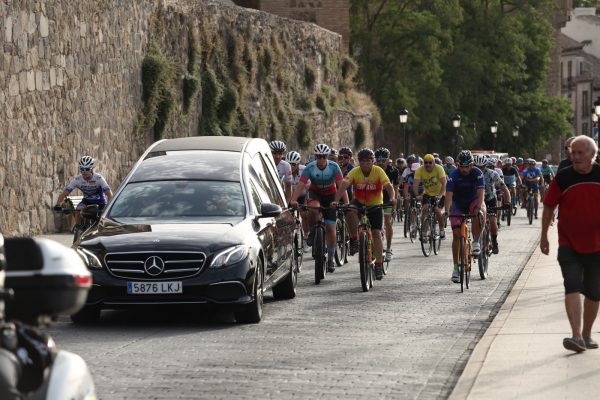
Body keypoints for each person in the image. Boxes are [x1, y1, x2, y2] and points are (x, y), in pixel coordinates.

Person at [541, 136, 600, 353]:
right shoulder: (563, 178)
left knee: (594, 293)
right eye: (572, 153)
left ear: (592, 155)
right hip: (569, 243)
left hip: (597, 245)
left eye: (579, 153)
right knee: (572, 284)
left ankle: (586, 334)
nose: (574, 157)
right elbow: (548, 206)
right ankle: (575, 335)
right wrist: (544, 235)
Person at [332, 148, 395, 280]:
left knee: (377, 233)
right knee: (349, 211)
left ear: (373, 161)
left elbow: (388, 186)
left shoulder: (378, 171)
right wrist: (336, 201)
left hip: (375, 204)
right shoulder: (355, 171)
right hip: (359, 202)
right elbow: (344, 185)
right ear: (359, 162)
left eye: (368, 161)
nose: (366, 163)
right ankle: (354, 239)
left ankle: (378, 264)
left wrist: (393, 198)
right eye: (362, 161)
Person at [290, 144, 346, 273]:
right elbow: (300, 186)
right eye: (318, 157)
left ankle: (331, 259)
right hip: (315, 193)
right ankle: (311, 232)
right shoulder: (310, 167)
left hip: (331, 195)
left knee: (331, 228)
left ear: (327, 157)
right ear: (315, 157)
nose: (321, 159)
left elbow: (341, 186)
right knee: (313, 207)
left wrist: (346, 202)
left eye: (323, 157)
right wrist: (293, 200)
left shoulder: (334, 166)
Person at [444, 150, 485, 283]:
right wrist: (446, 211)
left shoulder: (478, 173)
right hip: (458, 203)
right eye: (462, 166)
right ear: (458, 165)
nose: (465, 169)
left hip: (473, 200)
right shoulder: (453, 175)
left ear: (472, 165)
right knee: (456, 235)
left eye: (467, 166)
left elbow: (480, 192)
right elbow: (449, 194)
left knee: (480, 212)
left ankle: (476, 241)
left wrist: (479, 207)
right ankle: (456, 268)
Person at [55, 156, 113, 226]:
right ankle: (77, 228)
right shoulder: (77, 180)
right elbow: (64, 194)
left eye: (87, 169)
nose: (84, 172)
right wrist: (58, 204)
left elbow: (109, 194)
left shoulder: (99, 178)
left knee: (102, 221)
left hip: (100, 203)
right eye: (82, 169)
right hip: (86, 202)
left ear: (91, 169)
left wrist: (110, 207)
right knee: (78, 210)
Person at [476, 155, 511, 254]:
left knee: (492, 221)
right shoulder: (472, 174)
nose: (480, 169)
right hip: (477, 200)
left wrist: (508, 201)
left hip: (490, 199)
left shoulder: (493, 174)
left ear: (486, 166)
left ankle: (494, 241)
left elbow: (504, 188)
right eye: (477, 167)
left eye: (482, 167)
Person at [413, 154, 447, 240]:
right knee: (424, 209)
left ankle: (442, 230)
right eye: (425, 163)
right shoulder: (419, 170)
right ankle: (423, 232)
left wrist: (440, 195)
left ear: (434, 163)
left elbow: (444, 184)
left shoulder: (439, 168)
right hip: (427, 193)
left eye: (430, 163)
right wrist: (417, 195)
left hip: (440, 193)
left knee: (437, 210)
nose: (427, 164)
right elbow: (415, 185)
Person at [375, 147, 399, 261]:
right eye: (378, 160)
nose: (380, 162)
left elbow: (395, 189)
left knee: (388, 222)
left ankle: (388, 249)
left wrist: (394, 206)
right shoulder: (372, 169)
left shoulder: (393, 171)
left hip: (387, 199)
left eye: (383, 160)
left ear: (388, 160)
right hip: (374, 198)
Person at [287, 151, 310, 252]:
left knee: (304, 214)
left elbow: (308, 188)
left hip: (303, 193)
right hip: (290, 194)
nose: (291, 166)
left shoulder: (304, 170)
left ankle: (306, 237)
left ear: (298, 163)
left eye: (293, 164)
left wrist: (305, 204)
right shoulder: (285, 170)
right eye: (289, 164)